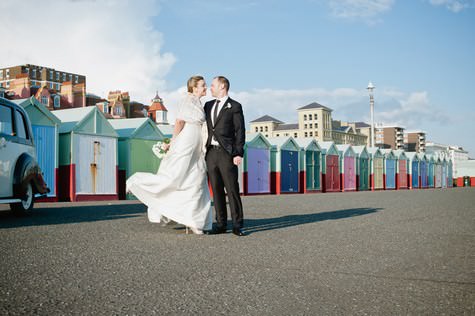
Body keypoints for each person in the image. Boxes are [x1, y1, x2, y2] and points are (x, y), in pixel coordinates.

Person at [126, 76, 212, 234]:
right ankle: (137, 181)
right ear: (194, 88)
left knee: (196, 179)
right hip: (186, 141)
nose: (205, 88)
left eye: (205, 85)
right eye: (203, 85)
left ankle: (194, 220)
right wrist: (173, 142)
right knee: (175, 176)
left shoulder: (199, 102)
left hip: (197, 145)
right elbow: (179, 121)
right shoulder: (187, 100)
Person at [204, 76, 246, 236]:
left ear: (222, 86)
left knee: (232, 189)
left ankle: (237, 225)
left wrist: (238, 153)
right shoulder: (207, 105)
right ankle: (221, 224)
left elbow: (239, 131)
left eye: (213, 85)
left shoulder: (234, 106)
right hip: (211, 153)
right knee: (216, 189)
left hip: (227, 154)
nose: (210, 88)